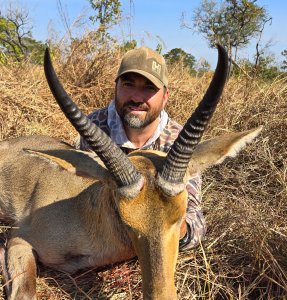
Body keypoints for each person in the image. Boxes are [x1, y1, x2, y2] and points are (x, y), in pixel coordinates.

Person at [78, 46, 205, 251]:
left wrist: (174, 226)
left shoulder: (180, 142)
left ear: (165, 96)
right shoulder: (93, 127)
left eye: (148, 88)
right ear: (116, 87)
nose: (136, 98)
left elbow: (194, 226)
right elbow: (83, 198)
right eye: (128, 84)